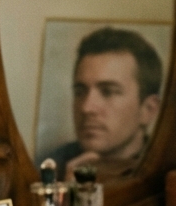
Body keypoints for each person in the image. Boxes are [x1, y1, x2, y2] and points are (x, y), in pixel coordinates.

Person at [41, 27, 163, 180]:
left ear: (148, 110)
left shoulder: (167, 176)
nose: (86, 108)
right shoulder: (48, 167)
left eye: (108, 92)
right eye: (80, 92)